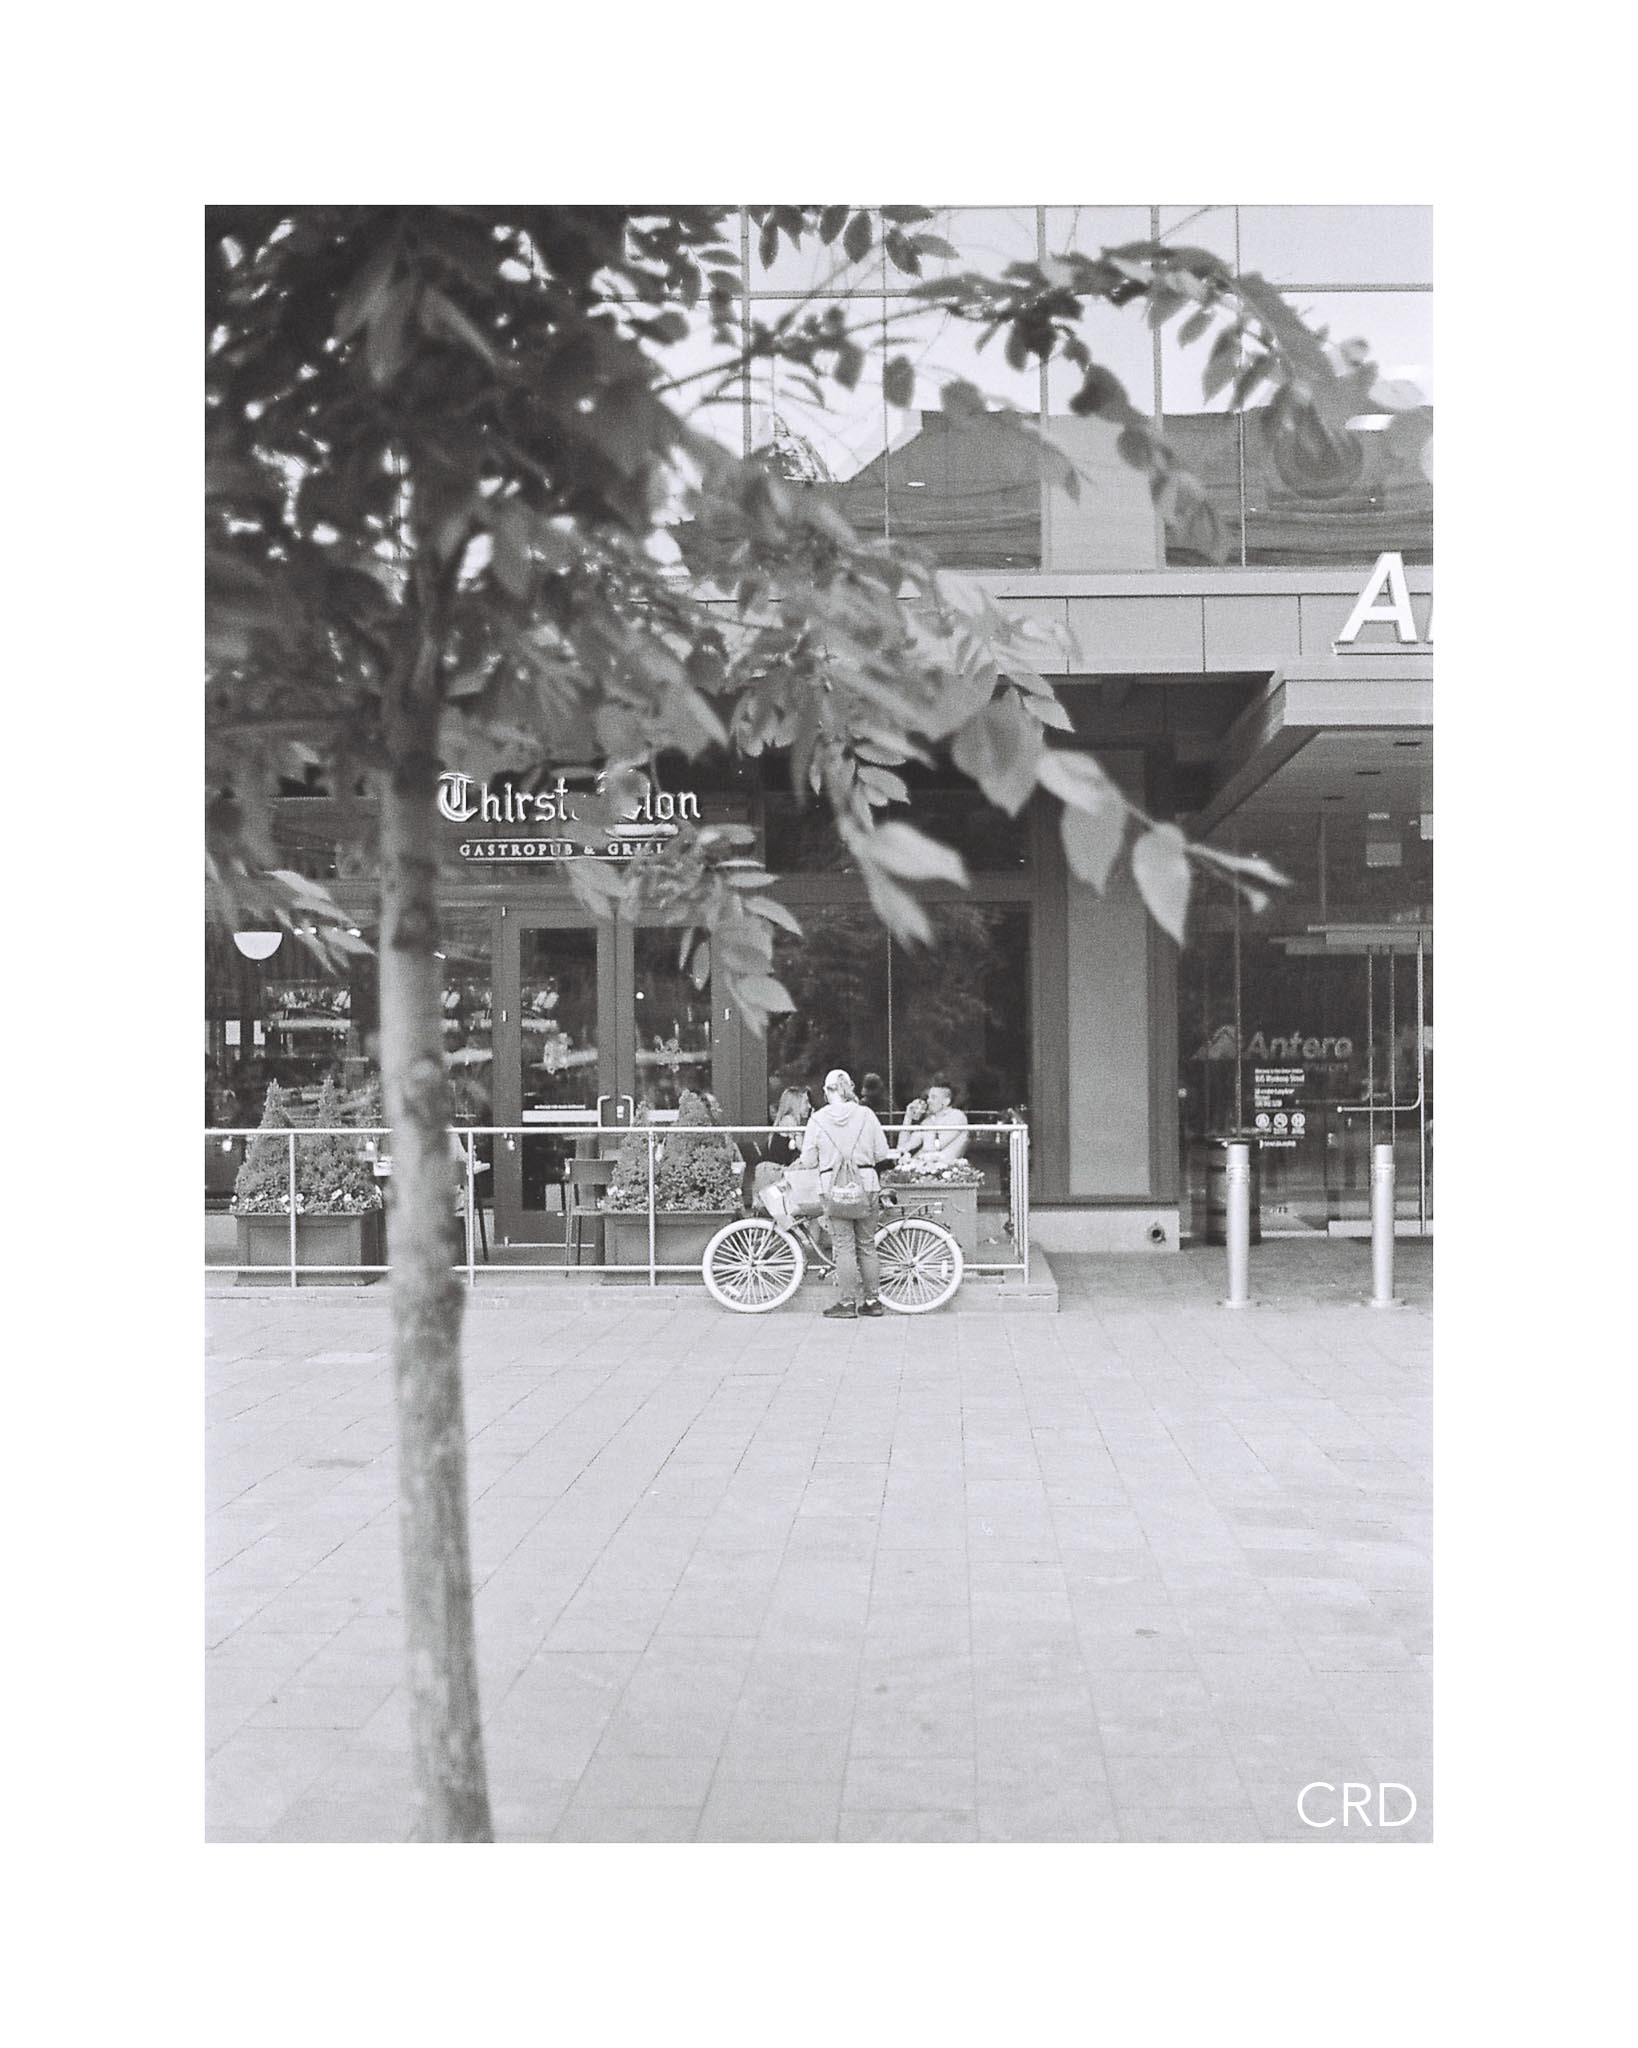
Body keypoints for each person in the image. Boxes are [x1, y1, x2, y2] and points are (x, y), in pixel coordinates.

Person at [799, 1068, 895, 1319]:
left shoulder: (817, 1119)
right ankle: (873, 1301)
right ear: (850, 1087)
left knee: (843, 1247)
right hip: (867, 1184)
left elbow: (808, 1161)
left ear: (827, 1091)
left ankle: (847, 1302)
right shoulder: (866, 1115)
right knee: (867, 1244)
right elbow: (881, 1153)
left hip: (832, 1189)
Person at [896, 1076, 971, 1166]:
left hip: (948, 1169)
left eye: (933, 1097)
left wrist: (914, 1159)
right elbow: (902, 1147)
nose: (928, 1101)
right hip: (925, 1168)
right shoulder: (927, 1121)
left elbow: (935, 1146)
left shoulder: (957, 1116)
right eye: (928, 1097)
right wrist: (908, 1118)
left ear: (946, 1102)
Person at [765, 1081, 813, 1167]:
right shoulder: (789, 1120)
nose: (809, 1106)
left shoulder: (791, 1120)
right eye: (806, 1102)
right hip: (780, 1170)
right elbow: (804, 1149)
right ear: (795, 1103)